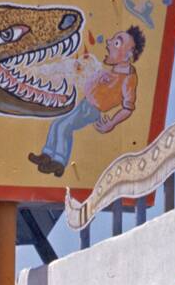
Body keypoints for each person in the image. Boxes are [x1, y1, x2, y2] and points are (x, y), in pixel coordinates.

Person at [29, 25, 145, 177]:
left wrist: (111, 123)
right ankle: (47, 154)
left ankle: (59, 161)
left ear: (128, 54)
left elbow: (128, 107)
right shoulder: (114, 70)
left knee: (65, 127)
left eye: (117, 43)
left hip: (92, 110)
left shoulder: (129, 78)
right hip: (85, 104)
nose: (109, 42)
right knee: (57, 123)